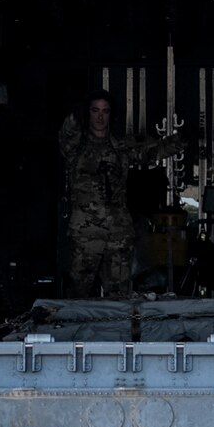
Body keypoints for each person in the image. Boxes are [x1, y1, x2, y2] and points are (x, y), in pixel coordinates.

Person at [57, 90, 179, 298]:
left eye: (105, 111)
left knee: (119, 295)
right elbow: (67, 134)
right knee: (78, 293)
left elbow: (153, 152)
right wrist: (75, 115)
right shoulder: (77, 148)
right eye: (95, 111)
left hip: (118, 233)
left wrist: (181, 140)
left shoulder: (120, 148)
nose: (100, 117)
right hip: (87, 234)